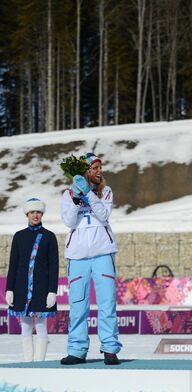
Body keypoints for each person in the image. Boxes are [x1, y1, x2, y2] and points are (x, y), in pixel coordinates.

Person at [60, 152, 121, 365]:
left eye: (100, 167)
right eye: (94, 168)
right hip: (77, 257)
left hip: (103, 253)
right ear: (85, 171)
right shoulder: (68, 193)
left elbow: (104, 216)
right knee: (78, 306)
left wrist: (89, 194)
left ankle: (110, 348)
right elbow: (68, 221)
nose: (99, 171)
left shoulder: (106, 191)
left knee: (107, 303)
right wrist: (77, 197)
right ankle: (77, 350)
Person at [5, 198, 58, 362]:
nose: (35, 215)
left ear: (42, 214)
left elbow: (54, 266)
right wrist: (9, 288)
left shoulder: (49, 237)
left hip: (41, 289)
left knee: (41, 326)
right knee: (26, 326)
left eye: (38, 212)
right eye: (32, 212)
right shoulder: (19, 236)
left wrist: (52, 291)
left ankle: (41, 363)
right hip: (21, 288)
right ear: (27, 214)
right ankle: (28, 362)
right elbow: (13, 264)